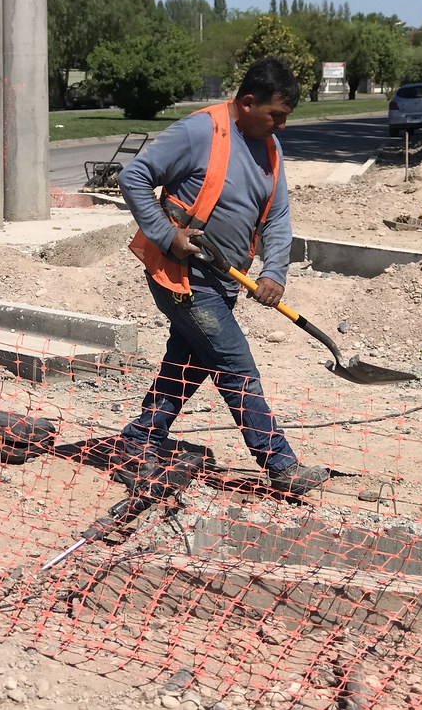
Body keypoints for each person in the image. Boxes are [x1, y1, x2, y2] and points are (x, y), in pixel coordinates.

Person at [116, 57, 329, 496]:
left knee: (189, 361)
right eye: (276, 115)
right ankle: (281, 464)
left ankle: (141, 437)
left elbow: (278, 216)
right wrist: (166, 234)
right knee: (236, 365)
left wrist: (274, 271)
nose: (282, 126)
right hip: (183, 277)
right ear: (248, 102)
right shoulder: (201, 131)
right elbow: (133, 175)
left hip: (227, 278)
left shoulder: (270, 146)